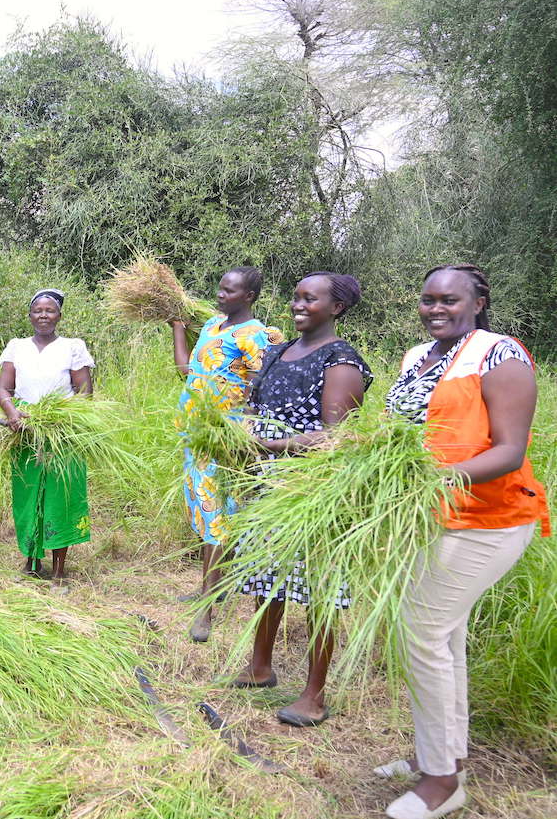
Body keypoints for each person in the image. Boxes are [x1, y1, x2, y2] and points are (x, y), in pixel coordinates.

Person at [375, 265, 548, 819]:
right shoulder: (415, 356)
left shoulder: (500, 355)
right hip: (432, 518)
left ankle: (442, 783)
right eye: (427, 300)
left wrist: (433, 482)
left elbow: (509, 451)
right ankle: (443, 754)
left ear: (478, 301)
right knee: (442, 636)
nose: (435, 309)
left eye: (449, 299)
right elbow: (395, 432)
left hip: (488, 518)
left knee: (421, 631)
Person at [229, 272, 373, 727]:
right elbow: (255, 409)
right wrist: (240, 431)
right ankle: (260, 666)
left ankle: (314, 693)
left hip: (312, 491)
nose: (298, 305)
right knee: (265, 576)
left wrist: (273, 446)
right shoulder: (275, 352)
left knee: (318, 589)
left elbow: (335, 439)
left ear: (337, 308)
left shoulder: (341, 360)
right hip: (265, 484)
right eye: (295, 297)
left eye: (310, 299)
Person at [171, 267, 282, 643]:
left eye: (229, 291)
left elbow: (264, 385)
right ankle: (212, 587)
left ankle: (207, 609)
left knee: (216, 513)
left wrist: (243, 431)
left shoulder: (255, 335)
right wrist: (176, 326)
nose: (220, 295)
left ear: (249, 296)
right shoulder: (213, 326)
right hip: (196, 434)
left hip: (225, 438)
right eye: (220, 288)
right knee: (206, 512)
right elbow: (188, 370)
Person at [0, 289, 94, 587]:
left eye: (49, 310)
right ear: (30, 316)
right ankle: (32, 560)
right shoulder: (17, 347)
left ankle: (60, 569)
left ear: (59, 316)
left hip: (61, 435)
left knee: (60, 498)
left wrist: (59, 418)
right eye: (37, 310)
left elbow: (85, 393)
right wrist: (13, 413)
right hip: (24, 433)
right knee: (29, 496)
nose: (43, 315)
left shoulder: (72, 347)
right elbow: (3, 389)